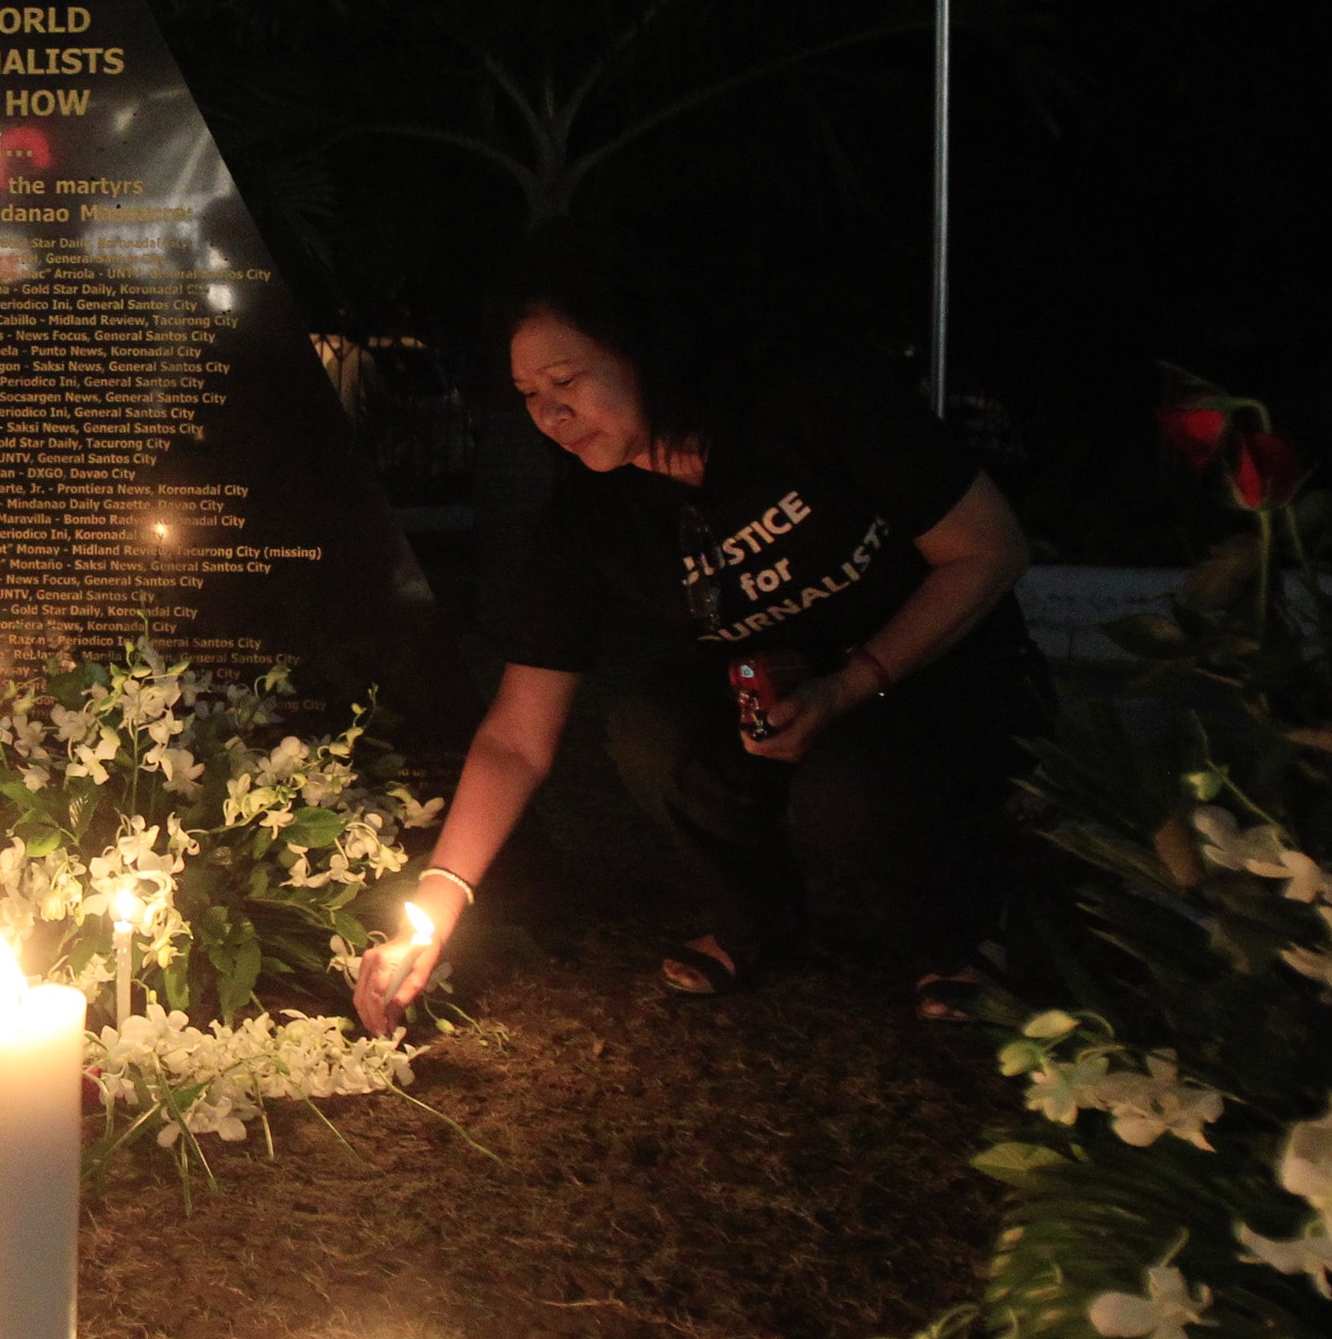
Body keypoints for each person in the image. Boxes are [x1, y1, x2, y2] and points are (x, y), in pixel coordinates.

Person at [356, 229, 1049, 1033]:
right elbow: (517, 736)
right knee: (655, 733)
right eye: (527, 394)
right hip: (783, 701)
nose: (551, 413)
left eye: (567, 378)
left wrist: (849, 685)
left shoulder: (810, 403)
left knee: (850, 790)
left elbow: (989, 549)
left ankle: (964, 932)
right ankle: (762, 919)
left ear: (643, 350)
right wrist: (436, 908)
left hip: (940, 677)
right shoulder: (593, 518)